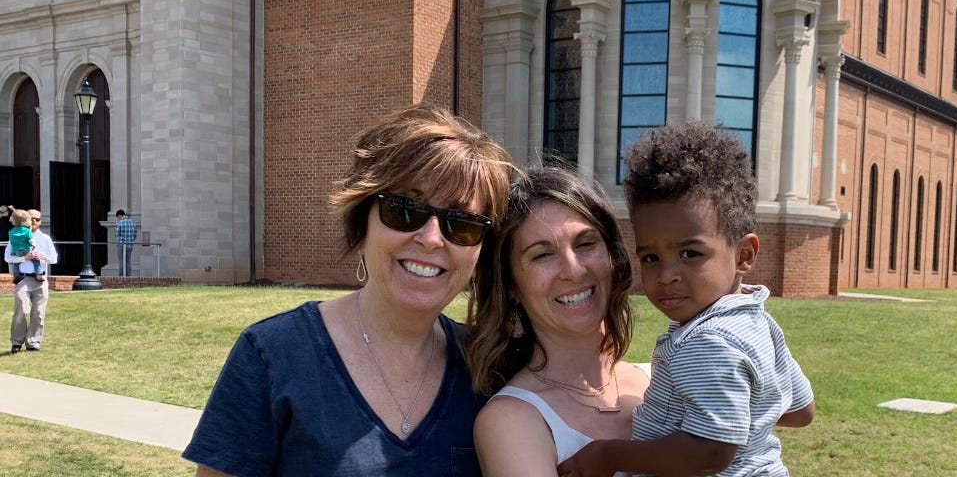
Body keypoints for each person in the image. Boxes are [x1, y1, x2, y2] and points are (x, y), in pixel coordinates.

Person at [182, 103, 515, 476]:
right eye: (404, 209)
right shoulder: (272, 356)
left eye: (462, 223)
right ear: (363, 220)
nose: (431, 238)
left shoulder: (487, 368)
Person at [558, 122, 815, 477]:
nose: (666, 274)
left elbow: (710, 453)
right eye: (650, 258)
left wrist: (609, 455)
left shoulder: (708, 342)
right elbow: (801, 410)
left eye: (690, 253)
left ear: (744, 255)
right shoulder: (759, 322)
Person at [465, 166, 649, 477]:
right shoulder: (512, 421)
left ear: (612, 258)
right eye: (542, 255)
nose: (574, 270)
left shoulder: (659, 380)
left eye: (585, 243)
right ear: (512, 287)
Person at [6, 209, 58, 353]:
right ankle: (16, 341)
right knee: (21, 310)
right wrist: (25, 258)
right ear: (25, 219)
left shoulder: (45, 238)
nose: (34, 221)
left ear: (40, 222)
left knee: (38, 313)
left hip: (40, 279)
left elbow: (54, 259)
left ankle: (33, 342)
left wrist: (42, 256)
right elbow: (7, 257)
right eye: (32, 218)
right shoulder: (16, 235)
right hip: (23, 278)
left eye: (37, 219)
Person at [8, 209, 45, 280]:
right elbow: (31, 241)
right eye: (29, 220)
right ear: (23, 222)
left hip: (15, 251)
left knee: (16, 262)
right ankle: (38, 274)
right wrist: (32, 243)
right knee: (36, 260)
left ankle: (16, 274)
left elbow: (12, 241)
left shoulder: (11, 231)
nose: (31, 221)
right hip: (26, 249)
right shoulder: (27, 231)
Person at [114, 209, 137, 276]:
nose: (118, 219)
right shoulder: (133, 222)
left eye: (118, 217)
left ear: (119, 215)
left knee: (121, 261)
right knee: (128, 261)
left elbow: (117, 234)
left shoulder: (119, 222)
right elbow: (135, 234)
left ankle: (121, 276)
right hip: (130, 245)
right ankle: (128, 275)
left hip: (122, 244)